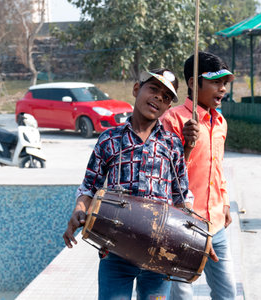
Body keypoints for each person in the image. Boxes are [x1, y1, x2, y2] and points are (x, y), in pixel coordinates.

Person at [62, 68, 212, 300]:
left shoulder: (171, 144)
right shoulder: (109, 139)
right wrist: (80, 209)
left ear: (168, 106)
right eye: (153, 89)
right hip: (115, 252)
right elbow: (88, 189)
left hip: (159, 255)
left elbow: (182, 199)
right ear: (136, 89)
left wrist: (199, 240)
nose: (158, 98)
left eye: (166, 97)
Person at [160, 51, 236, 300]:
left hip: (216, 222)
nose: (222, 88)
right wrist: (187, 146)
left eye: (224, 83)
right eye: (216, 82)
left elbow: (218, 167)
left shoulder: (220, 121)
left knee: (227, 293)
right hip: (183, 224)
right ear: (194, 82)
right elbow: (164, 175)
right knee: (182, 295)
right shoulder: (172, 120)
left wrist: (224, 203)